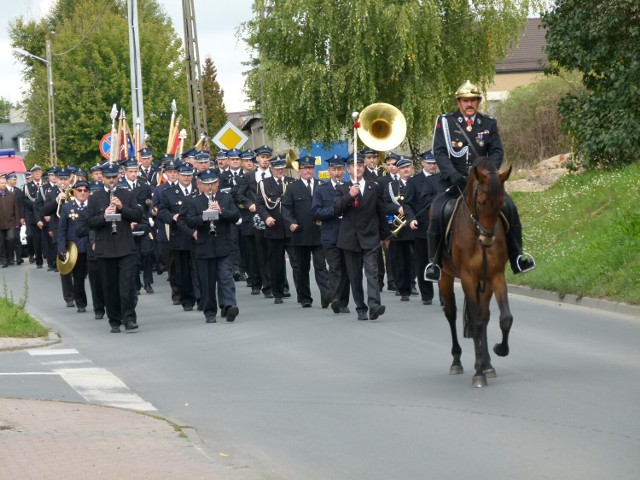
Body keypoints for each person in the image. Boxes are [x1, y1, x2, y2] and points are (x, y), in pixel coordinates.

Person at [425, 80, 536, 281]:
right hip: (454, 179)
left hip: (483, 181)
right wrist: (454, 175)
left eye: (474, 100)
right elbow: (439, 152)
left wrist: (488, 175)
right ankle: (434, 262)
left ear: (478, 102)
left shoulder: (488, 123)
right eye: (465, 100)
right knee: (439, 210)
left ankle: (518, 255)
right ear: (458, 102)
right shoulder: (446, 122)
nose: (469, 104)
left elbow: (496, 151)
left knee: (509, 207)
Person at [86, 164, 142, 333]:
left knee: (127, 285)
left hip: (125, 247)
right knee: (110, 287)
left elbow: (138, 215)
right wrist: (104, 216)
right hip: (105, 248)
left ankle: (129, 318)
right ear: (102, 177)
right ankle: (114, 320)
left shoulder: (126, 194)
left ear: (118, 177)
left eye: (114, 177)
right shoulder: (95, 198)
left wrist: (122, 208)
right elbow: (89, 222)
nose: (111, 180)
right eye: (108, 177)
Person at [334, 153, 390, 321]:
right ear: (348, 169)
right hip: (350, 238)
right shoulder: (342, 188)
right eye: (353, 166)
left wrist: (385, 234)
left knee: (372, 272)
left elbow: (381, 211)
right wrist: (349, 195)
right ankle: (361, 307)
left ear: (364, 168)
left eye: (360, 165)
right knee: (354, 276)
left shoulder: (374, 187)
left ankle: (374, 306)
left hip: (370, 236)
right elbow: (336, 209)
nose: (357, 168)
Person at [183, 169, 240, 323]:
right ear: (200, 185)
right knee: (207, 282)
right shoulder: (194, 201)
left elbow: (236, 216)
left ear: (217, 183)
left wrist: (221, 212)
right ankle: (210, 312)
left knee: (225, 277)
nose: (210, 187)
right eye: (206, 184)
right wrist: (204, 215)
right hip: (204, 247)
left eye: (213, 184)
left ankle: (229, 306)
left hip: (223, 245)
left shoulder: (225, 198)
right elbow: (189, 221)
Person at [282, 155, 331, 309]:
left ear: (314, 169)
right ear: (299, 170)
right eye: (304, 168)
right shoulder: (292, 187)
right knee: (302, 268)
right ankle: (305, 298)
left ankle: (326, 296)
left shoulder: (322, 185)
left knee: (321, 266)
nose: (307, 171)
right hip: (300, 234)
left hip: (319, 233)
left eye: (310, 168)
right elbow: (286, 208)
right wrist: (291, 223)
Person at [311, 155, 351, 314]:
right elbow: (315, 212)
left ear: (344, 170)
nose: (337, 172)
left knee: (346, 269)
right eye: (334, 169)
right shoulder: (321, 189)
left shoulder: (350, 188)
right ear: (329, 171)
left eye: (340, 169)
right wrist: (333, 211)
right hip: (330, 235)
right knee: (335, 268)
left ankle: (344, 302)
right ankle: (335, 299)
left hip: (347, 235)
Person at [255, 155, 297, 304]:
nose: (280, 171)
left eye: (282, 168)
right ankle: (278, 292)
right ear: (271, 169)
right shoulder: (264, 184)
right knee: (276, 263)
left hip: (290, 228)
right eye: (277, 168)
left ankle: (301, 293)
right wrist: (266, 217)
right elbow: (260, 204)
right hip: (274, 228)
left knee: (297, 262)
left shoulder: (291, 182)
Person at [403, 150, 443, 305]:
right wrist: (410, 219)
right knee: (422, 262)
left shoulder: (443, 178)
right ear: (422, 164)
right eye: (430, 163)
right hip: (421, 227)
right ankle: (426, 295)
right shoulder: (414, 181)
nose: (433, 166)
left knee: (441, 262)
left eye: (434, 163)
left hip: (441, 227)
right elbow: (408, 203)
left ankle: (444, 296)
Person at [158, 163, 199, 311]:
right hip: (179, 236)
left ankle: (200, 297)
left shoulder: (198, 189)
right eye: (183, 175)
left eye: (189, 174)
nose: (186, 177)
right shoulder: (168, 192)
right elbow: (161, 212)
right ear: (178, 175)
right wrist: (171, 216)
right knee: (182, 271)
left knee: (198, 268)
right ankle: (187, 299)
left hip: (197, 234)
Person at [383, 156, 415, 301]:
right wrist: (398, 208)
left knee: (413, 258)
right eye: (402, 168)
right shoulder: (392, 186)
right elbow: (385, 205)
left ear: (412, 168)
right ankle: (402, 289)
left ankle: (412, 283)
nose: (405, 170)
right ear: (398, 170)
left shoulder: (417, 183)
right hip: (398, 229)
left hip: (414, 227)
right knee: (398, 260)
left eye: (407, 167)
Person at [57, 180, 90, 313]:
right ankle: (80, 302)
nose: (82, 193)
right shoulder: (67, 207)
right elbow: (62, 229)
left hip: (93, 247)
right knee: (78, 277)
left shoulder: (93, 206)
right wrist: (61, 248)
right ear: (74, 191)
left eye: (85, 190)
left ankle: (101, 303)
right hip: (76, 248)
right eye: (80, 190)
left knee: (97, 278)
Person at [0, 175, 20, 268]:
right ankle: (4, 260)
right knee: (1, 242)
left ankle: (11, 256)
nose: (3, 185)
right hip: (0, 223)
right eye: (1, 183)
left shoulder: (11, 195)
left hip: (10, 222)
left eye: (4, 183)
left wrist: (17, 222)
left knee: (11, 238)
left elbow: (16, 209)